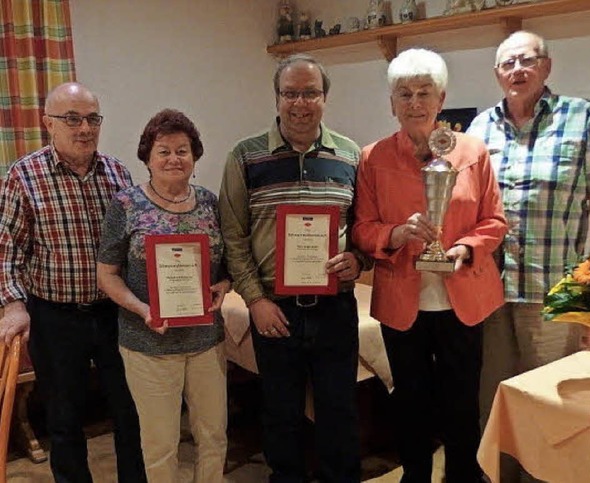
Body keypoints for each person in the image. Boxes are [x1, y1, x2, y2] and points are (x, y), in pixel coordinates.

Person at [466, 30, 590, 481]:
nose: (517, 70)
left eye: (527, 60)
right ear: (497, 74)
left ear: (546, 66)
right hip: (489, 295)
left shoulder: (582, 117)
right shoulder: (479, 128)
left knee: (548, 410)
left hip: (553, 293)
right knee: (495, 404)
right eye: (507, 63)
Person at [352, 48, 507, 483]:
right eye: (404, 94)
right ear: (392, 103)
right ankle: (415, 475)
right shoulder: (373, 157)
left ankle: (462, 475)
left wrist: (466, 248)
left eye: (424, 93)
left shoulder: (473, 151)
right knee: (410, 400)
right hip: (402, 302)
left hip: (465, 298)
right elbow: (362, 228)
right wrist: (395, 234)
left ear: (441, 100)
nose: (415, 103)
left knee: (461, 401)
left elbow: (495, 221)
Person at [219, 53, 369, 483]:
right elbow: (234, 236)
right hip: (274, 310)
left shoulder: (350, 155)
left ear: (324, 98)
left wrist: (358, 260)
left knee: (339, 411)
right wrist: (255, 301)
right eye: (290, 93)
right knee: (281, 414)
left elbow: (362, 226)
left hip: (335, 308)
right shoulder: (245, 157)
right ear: (277, 98)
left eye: (310, 93)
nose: (299, 103)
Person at [0, 82, 146, 482]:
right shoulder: (24, 176)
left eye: (92, 118)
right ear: (48, 123)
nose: (85, 128)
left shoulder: (118, 173)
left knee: (130, 412)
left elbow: (135, 244)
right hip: (55, 317)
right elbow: (7, 250)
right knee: (64, 420)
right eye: (72, 119)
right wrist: (13, 304)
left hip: (116, 313)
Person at [97, 109, 230, 483]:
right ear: (147, 157)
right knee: (160, 445)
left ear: (195, 156)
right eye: (164, 151)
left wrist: (227, 284)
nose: (174, 159)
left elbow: (227, 264)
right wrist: (142, 309)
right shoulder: (125, 205)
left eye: (183, 150)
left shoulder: (209, 202)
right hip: (148, 345)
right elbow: (106, 274)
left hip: (206, 342)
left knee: (214, 436)